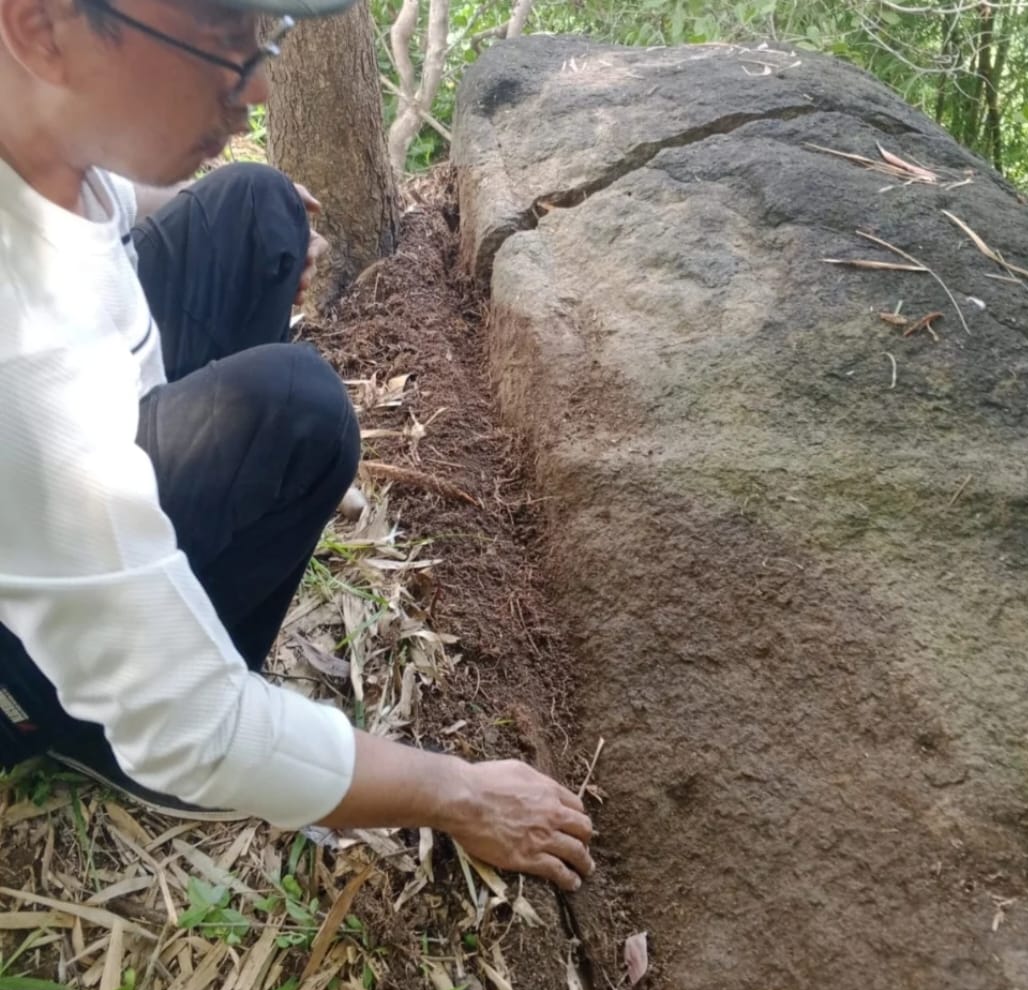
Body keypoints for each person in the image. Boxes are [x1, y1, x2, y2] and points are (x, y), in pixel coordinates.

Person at [0, 0, 594, 892]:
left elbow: (111, 214)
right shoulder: (24, 354)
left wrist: (243, 225)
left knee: (256, 201)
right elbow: (192, 727)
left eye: (264, 41)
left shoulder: (36, 134)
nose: (262, 88)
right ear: (42, 28)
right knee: (299, 409)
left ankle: (209, 530)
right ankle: (96, 746)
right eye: (222, 46)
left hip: (68, 471)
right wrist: (457, 792)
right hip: (34, 663)